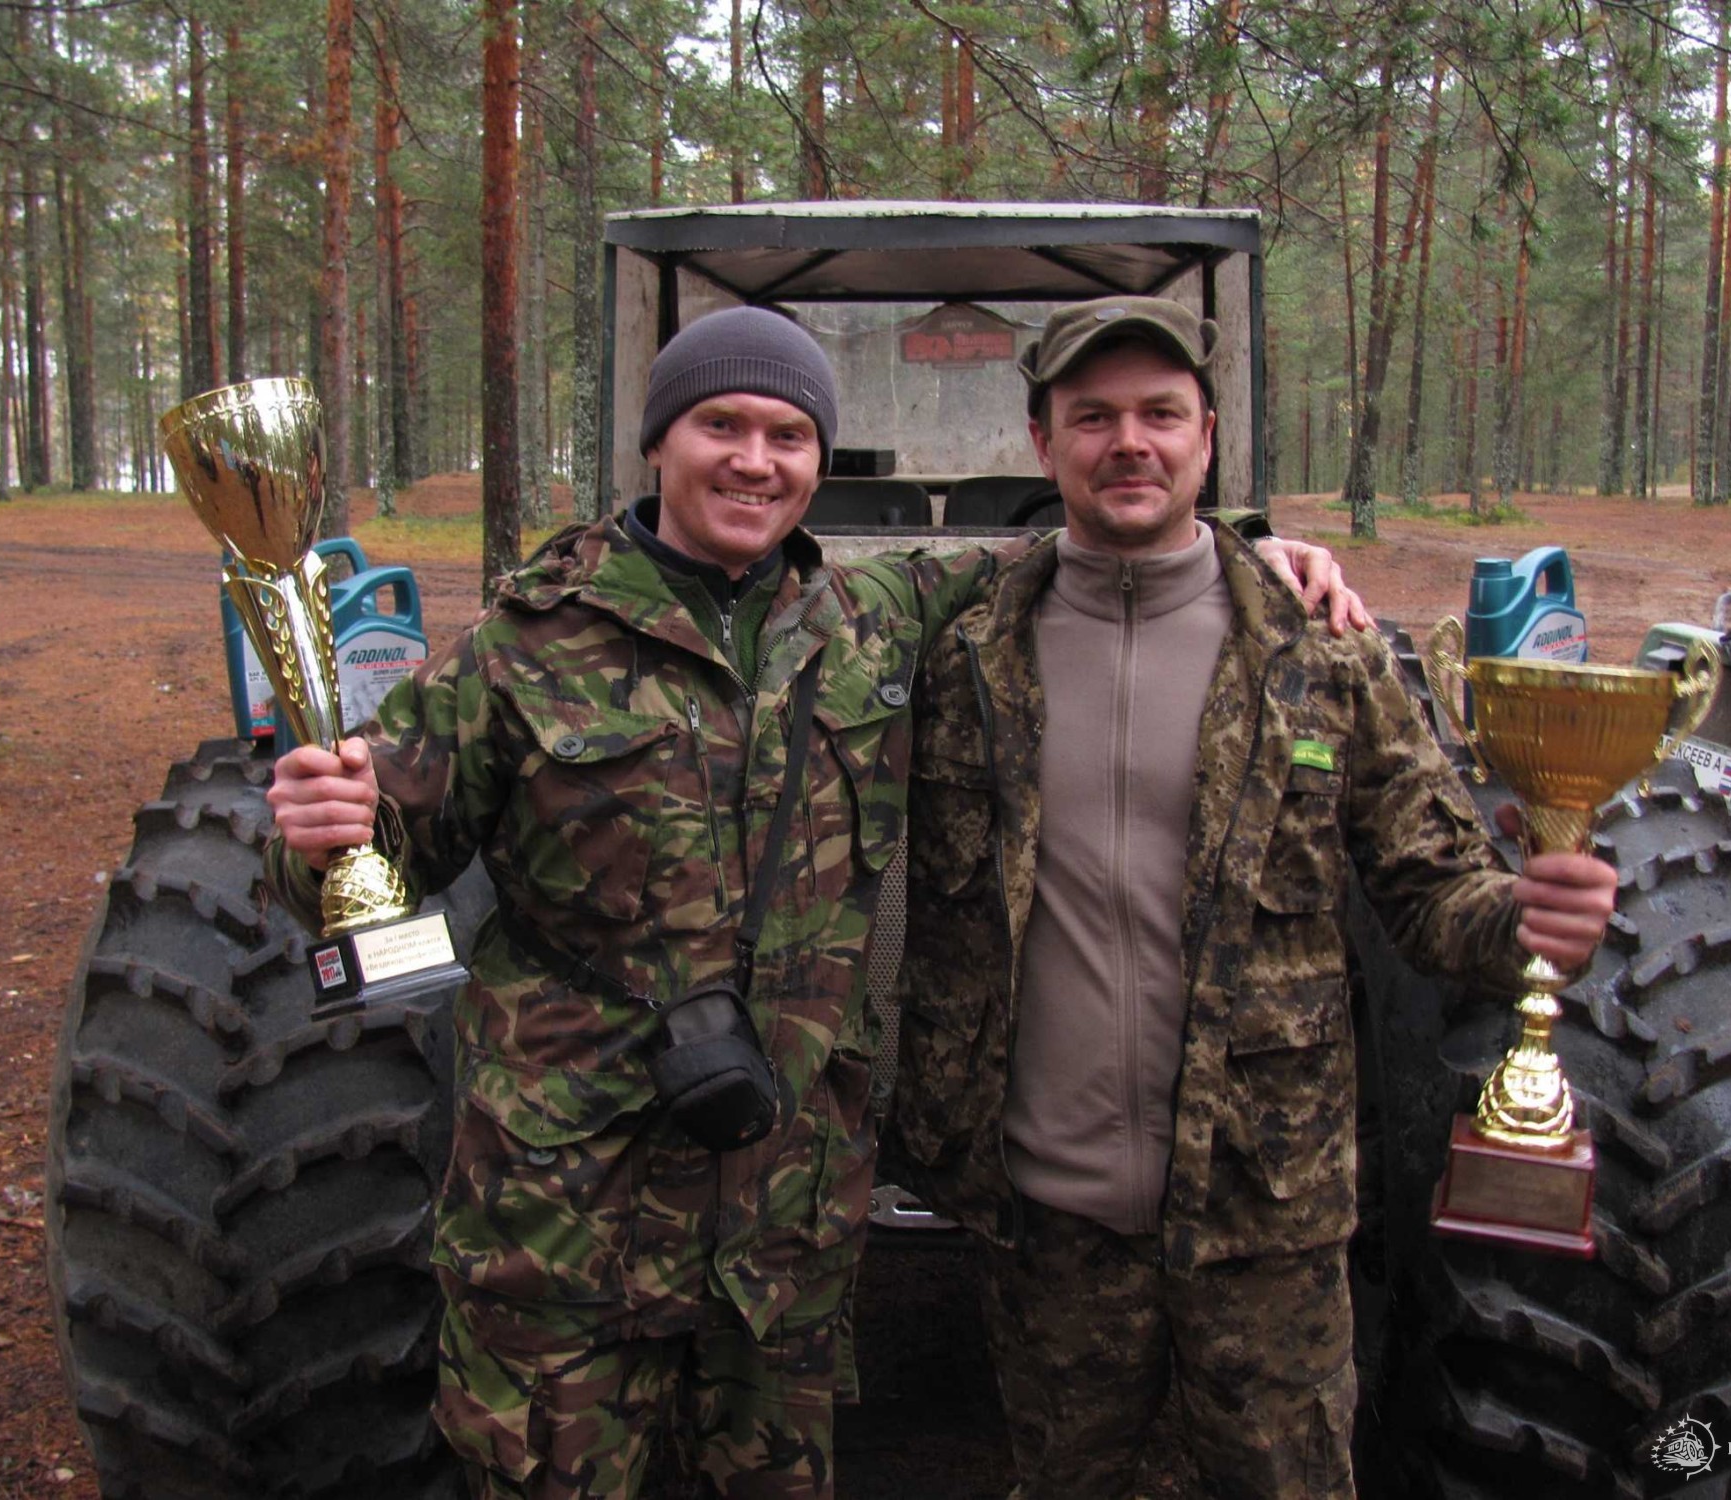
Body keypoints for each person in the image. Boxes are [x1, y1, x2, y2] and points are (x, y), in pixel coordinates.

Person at [262, 304, 1358, 1500]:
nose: (753, 461)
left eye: (787, 436)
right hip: (564, 1221)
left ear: (818, 461)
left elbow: (1094, 544)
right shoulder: (522, 644)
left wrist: (1257, 549)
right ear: (657, 442)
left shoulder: (872, 618)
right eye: (719, 426)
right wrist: (324, 836)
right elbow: (382, 864)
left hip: (781, 1227)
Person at [888, 296, 1619, 1500]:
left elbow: (1431, 889)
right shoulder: (960, 650)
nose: (1130, 442)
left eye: (1160, 414)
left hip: (1262, 1218)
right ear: (1041, 443)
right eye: (1093, 417)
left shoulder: (1319, 650)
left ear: (1208, 436)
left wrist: (1527, 925)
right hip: (1048, 1224)